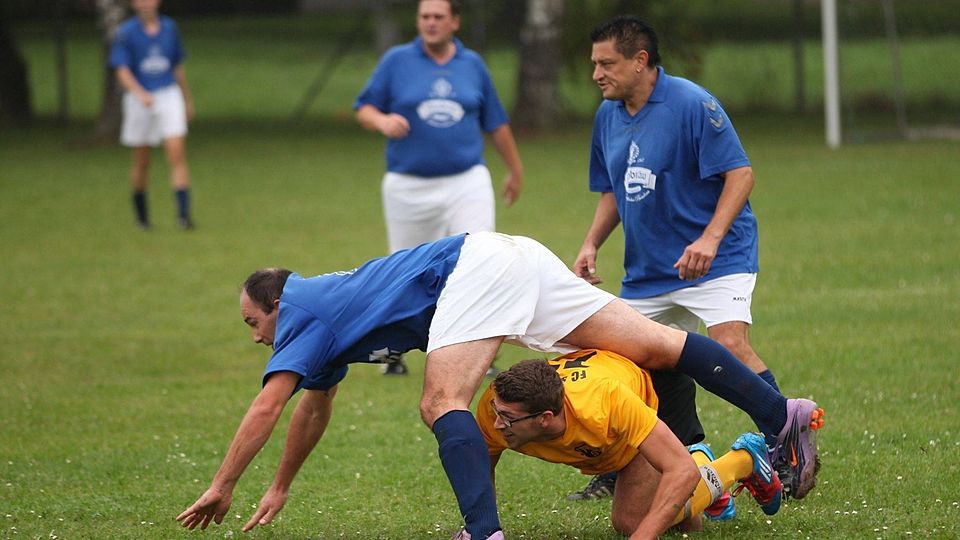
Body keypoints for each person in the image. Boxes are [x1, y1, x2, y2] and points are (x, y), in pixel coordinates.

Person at [174, 231, 821, 540]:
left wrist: (223, 483)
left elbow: (268, 403)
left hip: (477, 267)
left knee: (440, 402)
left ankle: (483, 533)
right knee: (657, 343)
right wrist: (281, 484)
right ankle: (778, 412)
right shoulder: (321, 323)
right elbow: (312, 406)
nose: (257, 336)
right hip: (513, 258)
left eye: (254, 322)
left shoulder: (304, 312)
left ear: (277, 306)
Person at [570, 16, 810, 500]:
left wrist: (709, 240)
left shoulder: (692, 104)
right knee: (625, 361)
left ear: (641, 61)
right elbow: (615, 191)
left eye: (606, 63)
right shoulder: (608, 115)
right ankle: (654, 457)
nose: (596, 73)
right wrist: (591, 243)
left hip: (717, 255)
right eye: (594, 63)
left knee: (729, 345)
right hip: (649, 268)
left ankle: (786, 438)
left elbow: (740, 176)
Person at [354, 0, 523, 376]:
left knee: (479, 259)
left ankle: (481, 353)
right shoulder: (397, 61)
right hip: (407, 185)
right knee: (403, 271)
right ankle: (388, 354)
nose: (430, 23)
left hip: (466, 179)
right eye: (424, 17)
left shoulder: (472, 64)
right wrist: (382, 122)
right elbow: (363, 106)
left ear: (454, 22)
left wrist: (514, 168)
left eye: (438, 17)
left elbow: (495, 121)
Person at [475, 351, 782, 539]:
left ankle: (744, 459)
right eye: (498, 413)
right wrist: (484, 529)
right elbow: (479, 466)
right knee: (684, 524)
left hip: (658, 394)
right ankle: (705, 480)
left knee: (633, 522)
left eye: (507, 419)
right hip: (617, 410)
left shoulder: (606, 403)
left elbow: (679, 470)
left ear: (544, 418)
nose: (498, 424)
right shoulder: (498, 405)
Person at [109, 0, 195, 230]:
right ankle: (142, 218)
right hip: (140, 100)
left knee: (176, 153)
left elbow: (177, 66)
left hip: (168, 94)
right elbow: (121, 69)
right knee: (142, 160)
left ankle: (183, 217)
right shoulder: (126, 32)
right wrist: (140, 93)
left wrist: (187, 99)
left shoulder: (169, 28)